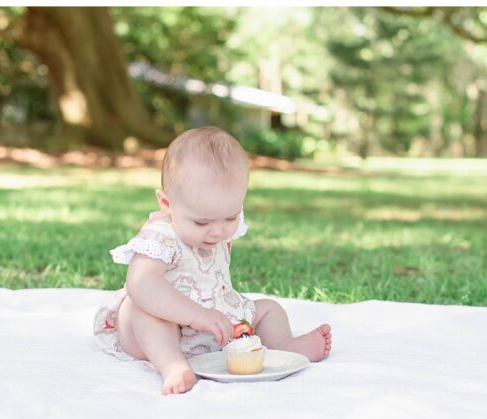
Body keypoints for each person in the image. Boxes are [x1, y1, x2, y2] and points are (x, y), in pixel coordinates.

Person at [93, 127, 333, 395]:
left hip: (216, 324)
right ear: (166, 203)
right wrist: (195, 315)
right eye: (202, 221)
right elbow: (141, 284)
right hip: (163, 325)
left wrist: (214, 315)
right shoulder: (162, 236)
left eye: (230, 217)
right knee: (140, 310)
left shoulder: (215, 228)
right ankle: (172, 365)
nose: (218, 231)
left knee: (269, 308)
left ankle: (283, 346)